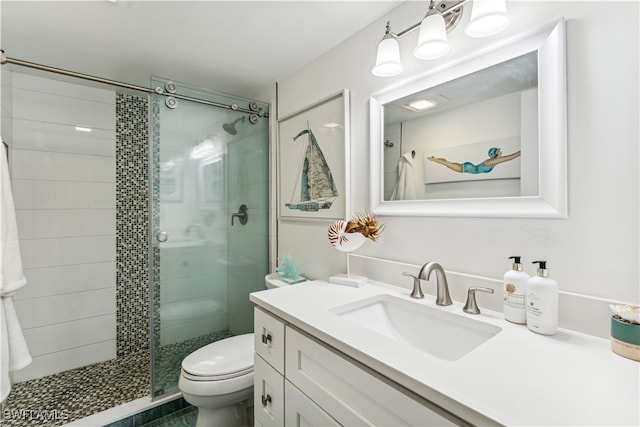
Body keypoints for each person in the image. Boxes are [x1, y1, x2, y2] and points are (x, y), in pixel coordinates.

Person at [427, 147, 521, 174]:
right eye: (499, 152)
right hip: (466, 168)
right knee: (447, 163)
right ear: (496, 154)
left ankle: (434, 158)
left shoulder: (494, 162)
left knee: (448, 163)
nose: (501, 152)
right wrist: (521, 152)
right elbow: (510, 157)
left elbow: (506, 158)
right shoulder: (490, 162)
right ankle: (433, 159)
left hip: (469, 167)